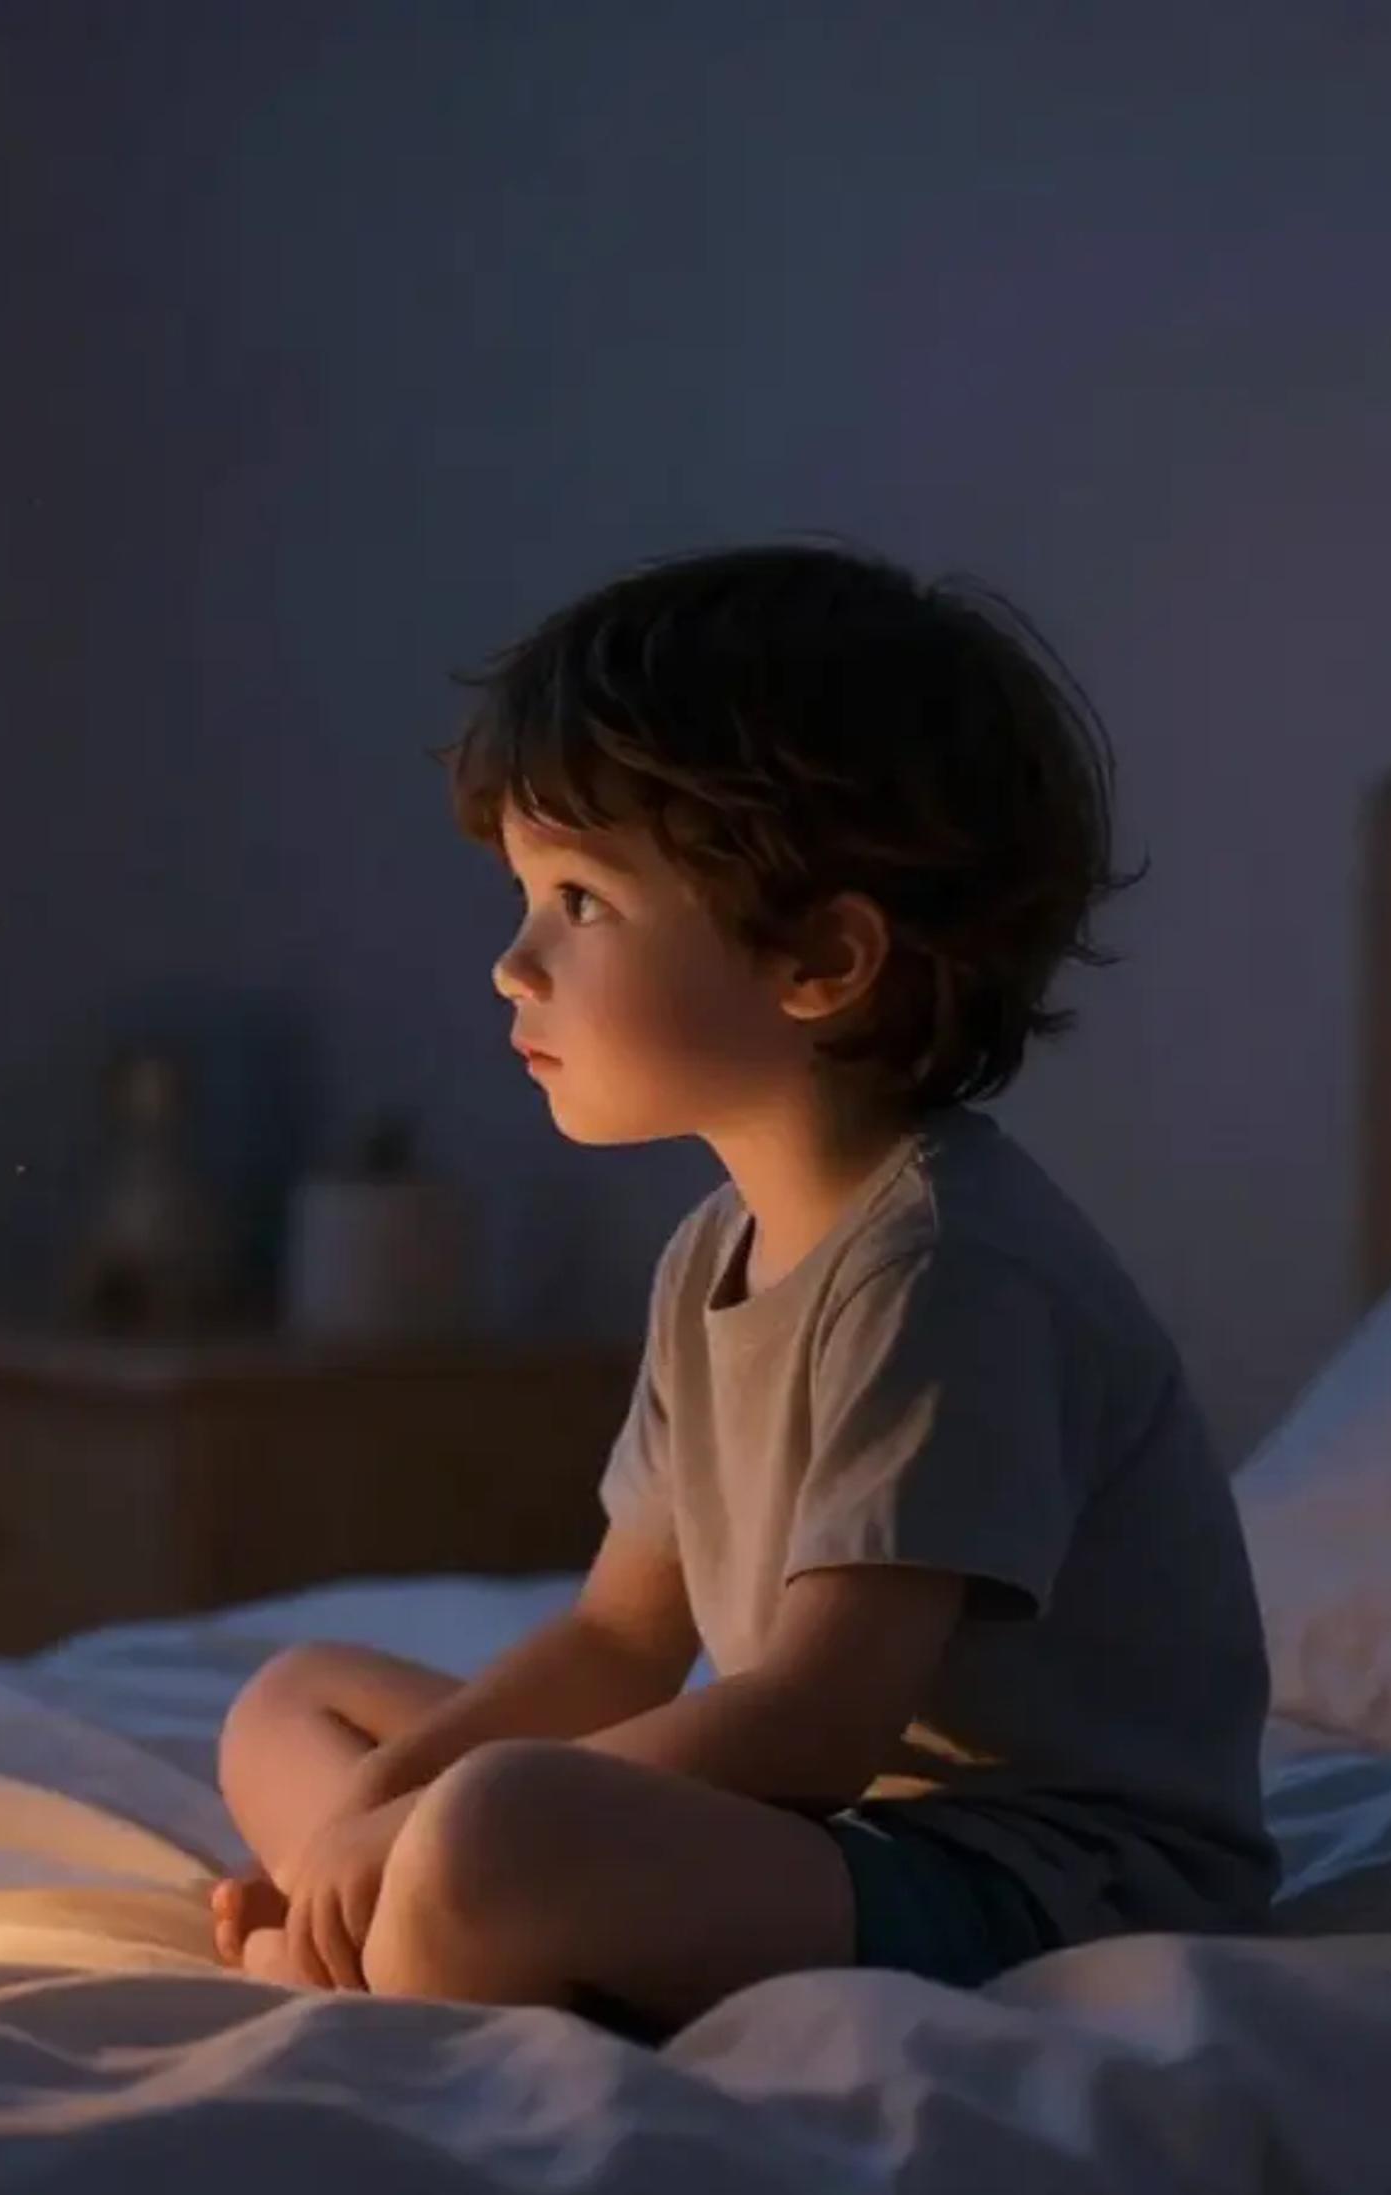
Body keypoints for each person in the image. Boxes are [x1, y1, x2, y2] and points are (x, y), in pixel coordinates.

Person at [210, 544, 1269, 2040]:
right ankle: (387, 1927)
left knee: (492, 1832)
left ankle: (365, 1948)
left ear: (822, 959)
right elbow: (617, 1642)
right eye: (525, 896)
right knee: (294, 1705)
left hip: (1030, 1874)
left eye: (580, 903)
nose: (514, 964)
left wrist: (424, 1824)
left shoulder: (948, 1271)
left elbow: (817, 1723)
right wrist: (377, 1808)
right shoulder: (715, 1249)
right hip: (828, 1835)